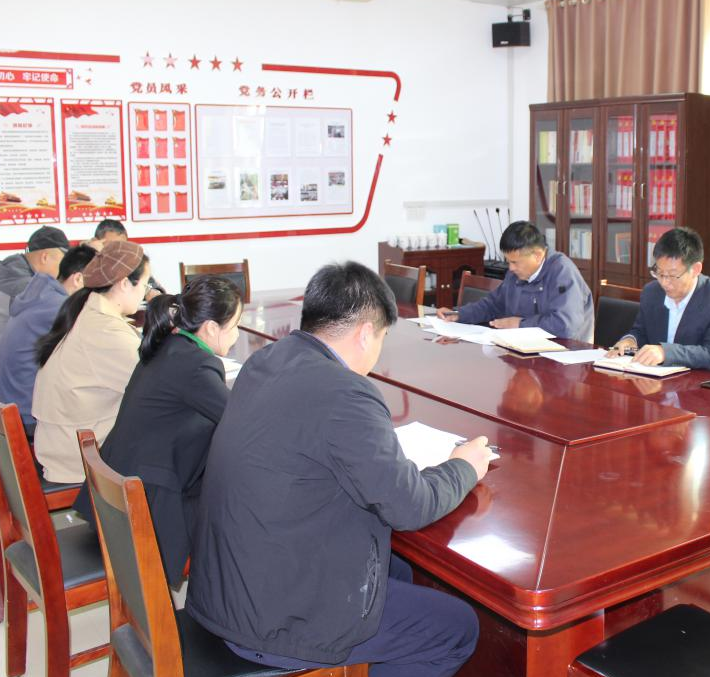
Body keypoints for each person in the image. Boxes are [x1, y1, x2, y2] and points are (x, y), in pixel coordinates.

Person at [187, 262, 492, 677]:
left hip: (226, 588)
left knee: (398, 569)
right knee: (457, 627)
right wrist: (463, 467)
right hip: (273, 621)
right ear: (366, 333)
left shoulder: (267, 360)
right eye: (382, 337)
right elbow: (410, 507)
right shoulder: (345, 393)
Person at [72, 275, 242, 586]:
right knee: (241, 502)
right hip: (149, 505)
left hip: (120, 489)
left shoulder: (169, 346)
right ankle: (222, 596)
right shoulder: (195, 365)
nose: (236, 335)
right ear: (210, 328)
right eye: (234, 327)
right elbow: (241, 421)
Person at [32, 241, 152, 483]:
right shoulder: (105, 331)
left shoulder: (87, 309)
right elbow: (155, 385)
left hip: (63, 444)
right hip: (79, 459)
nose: (145, 293)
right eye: (145, 284)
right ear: (124, 283)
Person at [0, 244, 98, 438]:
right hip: (28, 416)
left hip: (13, 404)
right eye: (97, 289)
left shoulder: (42, 293)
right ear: (78, 279)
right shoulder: (58, 307)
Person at [436, 220, 594, 341]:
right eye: (508, 261)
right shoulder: (517, 273)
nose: (510, 268)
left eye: (515, 262)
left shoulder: (562, 272)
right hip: (524, 349)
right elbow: (493, 305)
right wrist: (459, 314)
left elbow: (566, 325)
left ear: (537, 255)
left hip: (565, 357)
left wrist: (520, 324)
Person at [606, 227, 710, 371]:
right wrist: (630, 341)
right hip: (658, 378)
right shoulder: (651, 292)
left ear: (695, 269)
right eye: (659, 273)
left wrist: (666, 353)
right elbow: (641, 331)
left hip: (706, 381)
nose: (664, 282)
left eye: (672, 275)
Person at [0, 225, 70, 393]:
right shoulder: (24, 286)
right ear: (45, 257)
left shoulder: (11, 272)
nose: (64, 271)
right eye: (63, 262)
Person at [90, 217, 165, 296]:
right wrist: (93, 254)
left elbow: (153, 287)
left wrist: (149, 290)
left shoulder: (131, 262)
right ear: (96, 242)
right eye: (113, 246)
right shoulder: (88, 264)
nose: (119, 252)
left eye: (123, 246)